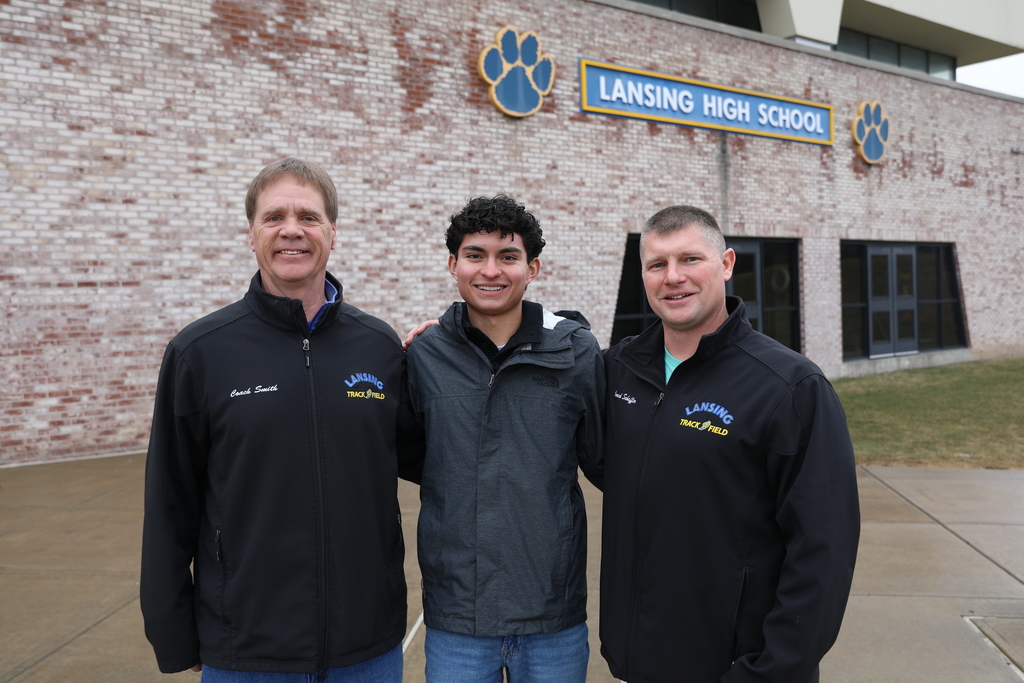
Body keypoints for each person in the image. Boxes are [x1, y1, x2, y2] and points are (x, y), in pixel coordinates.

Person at [140, 157, 423, 681]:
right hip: (247, 647)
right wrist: (173, 634)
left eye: (309, 217)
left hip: (367, 646)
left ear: (332, 233)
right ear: (251, 235)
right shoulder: (200, 352)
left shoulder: (379, 346)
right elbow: (168, 503)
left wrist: (458, 352)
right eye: (274, 217)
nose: (292, 230)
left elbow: (437, 458)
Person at [599, 205, 860, 683]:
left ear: (726, 264)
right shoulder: (619, 371)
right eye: (657, 264)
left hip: (736, 669)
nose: (673, 277)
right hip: (637, 663)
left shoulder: (790, 387)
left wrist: (767, 672)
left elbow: (823, 551)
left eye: (690, 259)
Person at [404, 195, 604, 682]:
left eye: (508, 256)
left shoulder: (577, 352)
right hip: (457, 619)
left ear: (532, 268)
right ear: (453, 264)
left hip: (552, 615)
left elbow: (608, 462)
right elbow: (414, 459)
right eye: (475, 255)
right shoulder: (423, 356)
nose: (490, 270)